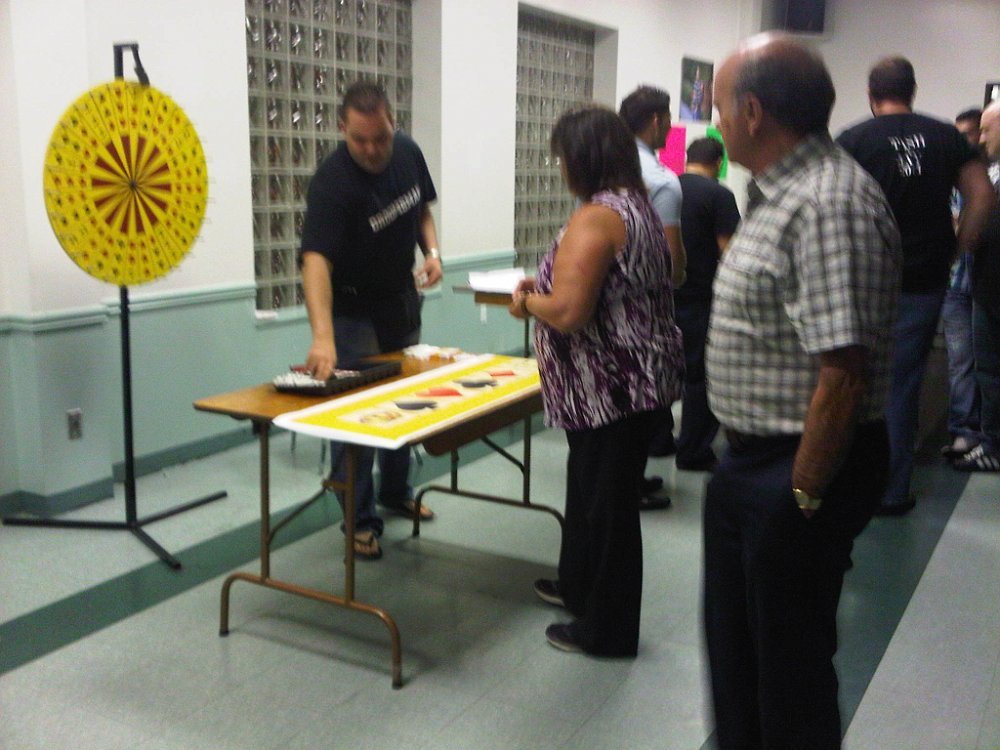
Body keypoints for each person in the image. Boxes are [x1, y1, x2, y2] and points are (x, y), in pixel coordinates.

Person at [705, 34, 901, 749]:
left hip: (794, 468)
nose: (714, 121)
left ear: (753, 111)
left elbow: (843, 371)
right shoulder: (777, 195)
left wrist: (804, 495)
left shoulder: (827, 202)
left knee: (788, 672)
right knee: (740, 657)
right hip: (754, 460)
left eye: (719, 106)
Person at [508, 105, 683, 655]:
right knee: (589, 493)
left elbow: (568, 311)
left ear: (581, 159)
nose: (561, 168)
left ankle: (608, 630)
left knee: (608, 511)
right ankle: (579, 588)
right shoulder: (638, 206)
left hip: (610, 388)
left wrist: (526, 302)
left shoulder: (599, 216)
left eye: (563, 157)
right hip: (625, 385)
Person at [836, 57, 993, 515]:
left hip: (864, 279)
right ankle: (892, 490)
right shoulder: (946, 137)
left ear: (871, 95)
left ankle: (848, 482)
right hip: (923, 279)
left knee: (849, 377)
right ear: (913, 91)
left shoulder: (853, 139)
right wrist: (958, 250)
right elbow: (982, 196)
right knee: (902, 386)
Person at [299, 81, 442, 560]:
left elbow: (421, 210)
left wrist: (433, 253)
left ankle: (396, 491)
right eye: (359, 139)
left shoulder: (408, 153)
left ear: (391, 123)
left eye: (380, 137)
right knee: (356, 416)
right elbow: (315, 262)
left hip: (399, 299)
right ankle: (358, 519)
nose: (372, 149)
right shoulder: (332, 183)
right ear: (342, 128)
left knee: (402, 402)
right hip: (352, 309)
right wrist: (323, 337)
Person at [619, 85, 687, 505]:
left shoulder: (603, 170)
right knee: (642, 400)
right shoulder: (663, 182)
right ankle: (631, 486)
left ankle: (628, 481)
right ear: (657, 120)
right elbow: (670, 263)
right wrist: (680, 274)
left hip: (605, 305)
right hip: (644, 311)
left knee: (618, 406)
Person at [674, 137, 740, 472]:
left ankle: (658, 440)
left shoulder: (665, 188)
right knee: (699, 375)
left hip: (663, 296)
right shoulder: (719, 195)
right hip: (701, 298)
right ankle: (693, 450)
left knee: (662, 370)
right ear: (718, 162)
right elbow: (729, 251)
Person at [956, 101, 1000, 471]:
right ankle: (992, 443)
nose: (981, 138)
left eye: (987, 129)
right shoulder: (991, 172)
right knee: (988, 372)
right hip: (985, 286)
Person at [941, 108, 985, 462]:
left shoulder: (989, 178)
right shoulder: (951, 181)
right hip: (957, 281)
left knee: (987, 361)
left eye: (968, 134)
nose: (964, 142)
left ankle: (986, 432)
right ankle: (964, 431)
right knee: (960, 362)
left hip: (986, 282)